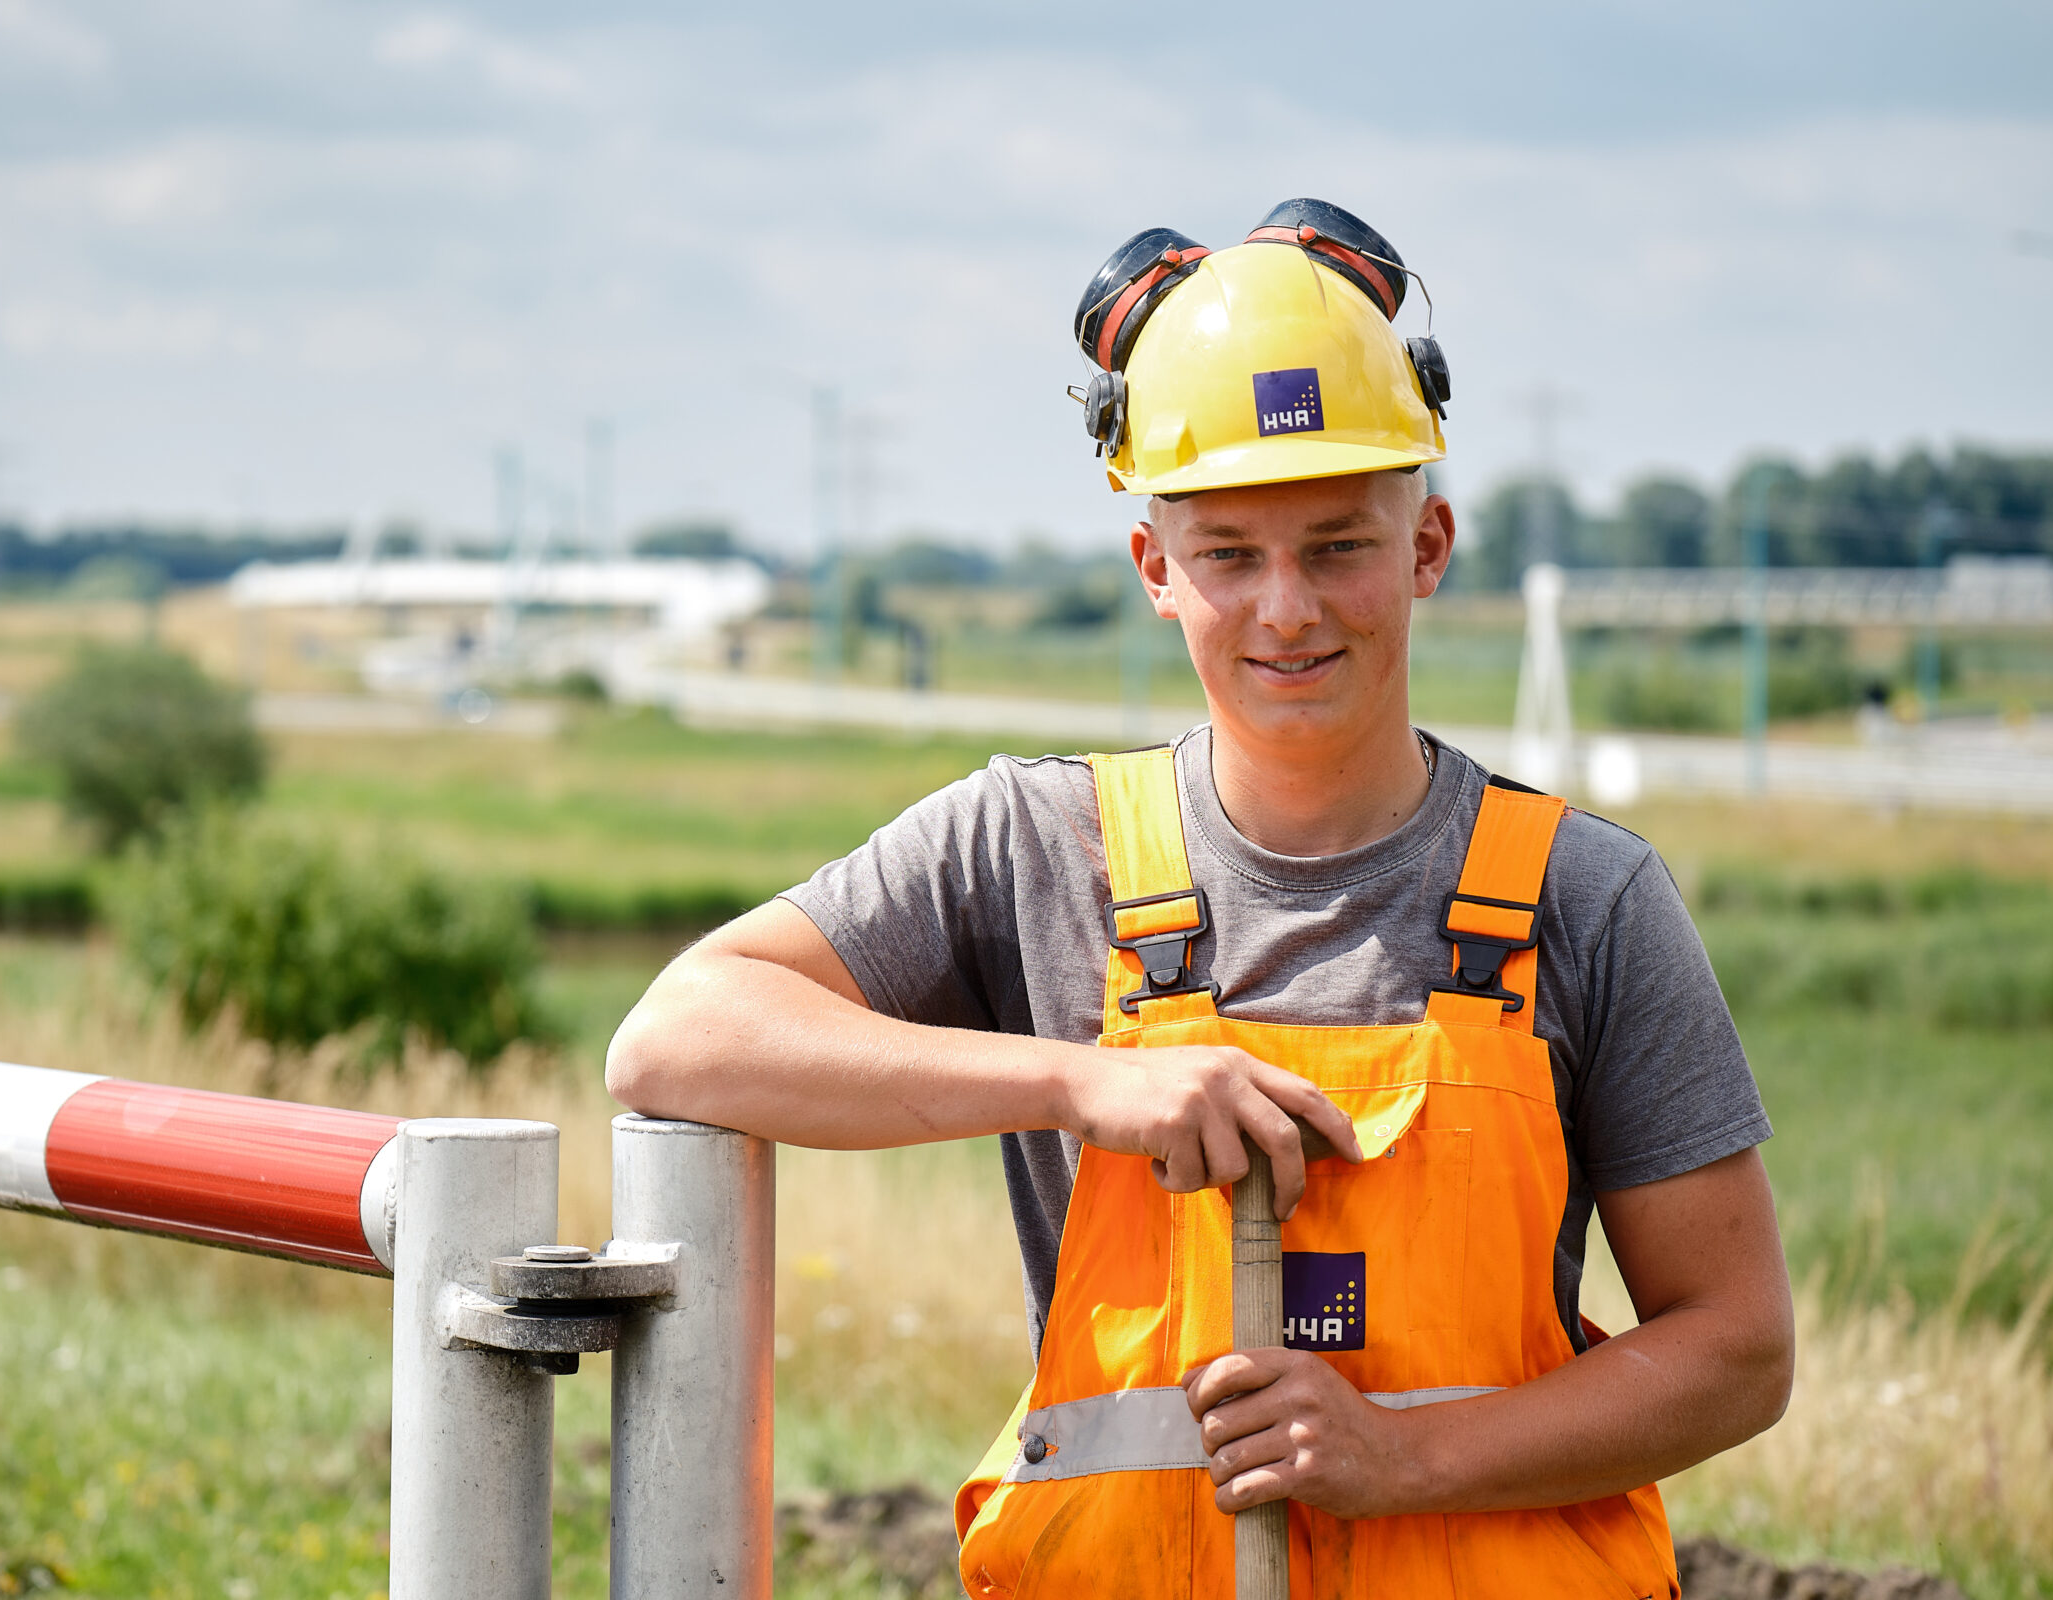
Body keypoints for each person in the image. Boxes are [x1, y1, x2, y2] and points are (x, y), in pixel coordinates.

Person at [606, 199, 1792, 1599]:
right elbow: (676, 1038)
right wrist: (1078, 1087)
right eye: (1229, 553)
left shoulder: (1584, 899)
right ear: (1154, 569)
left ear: (1428, 547)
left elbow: (1736, 1349)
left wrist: (1407, 1460)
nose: (1286, 609)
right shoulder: (1035, 847)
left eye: (1339, 544)